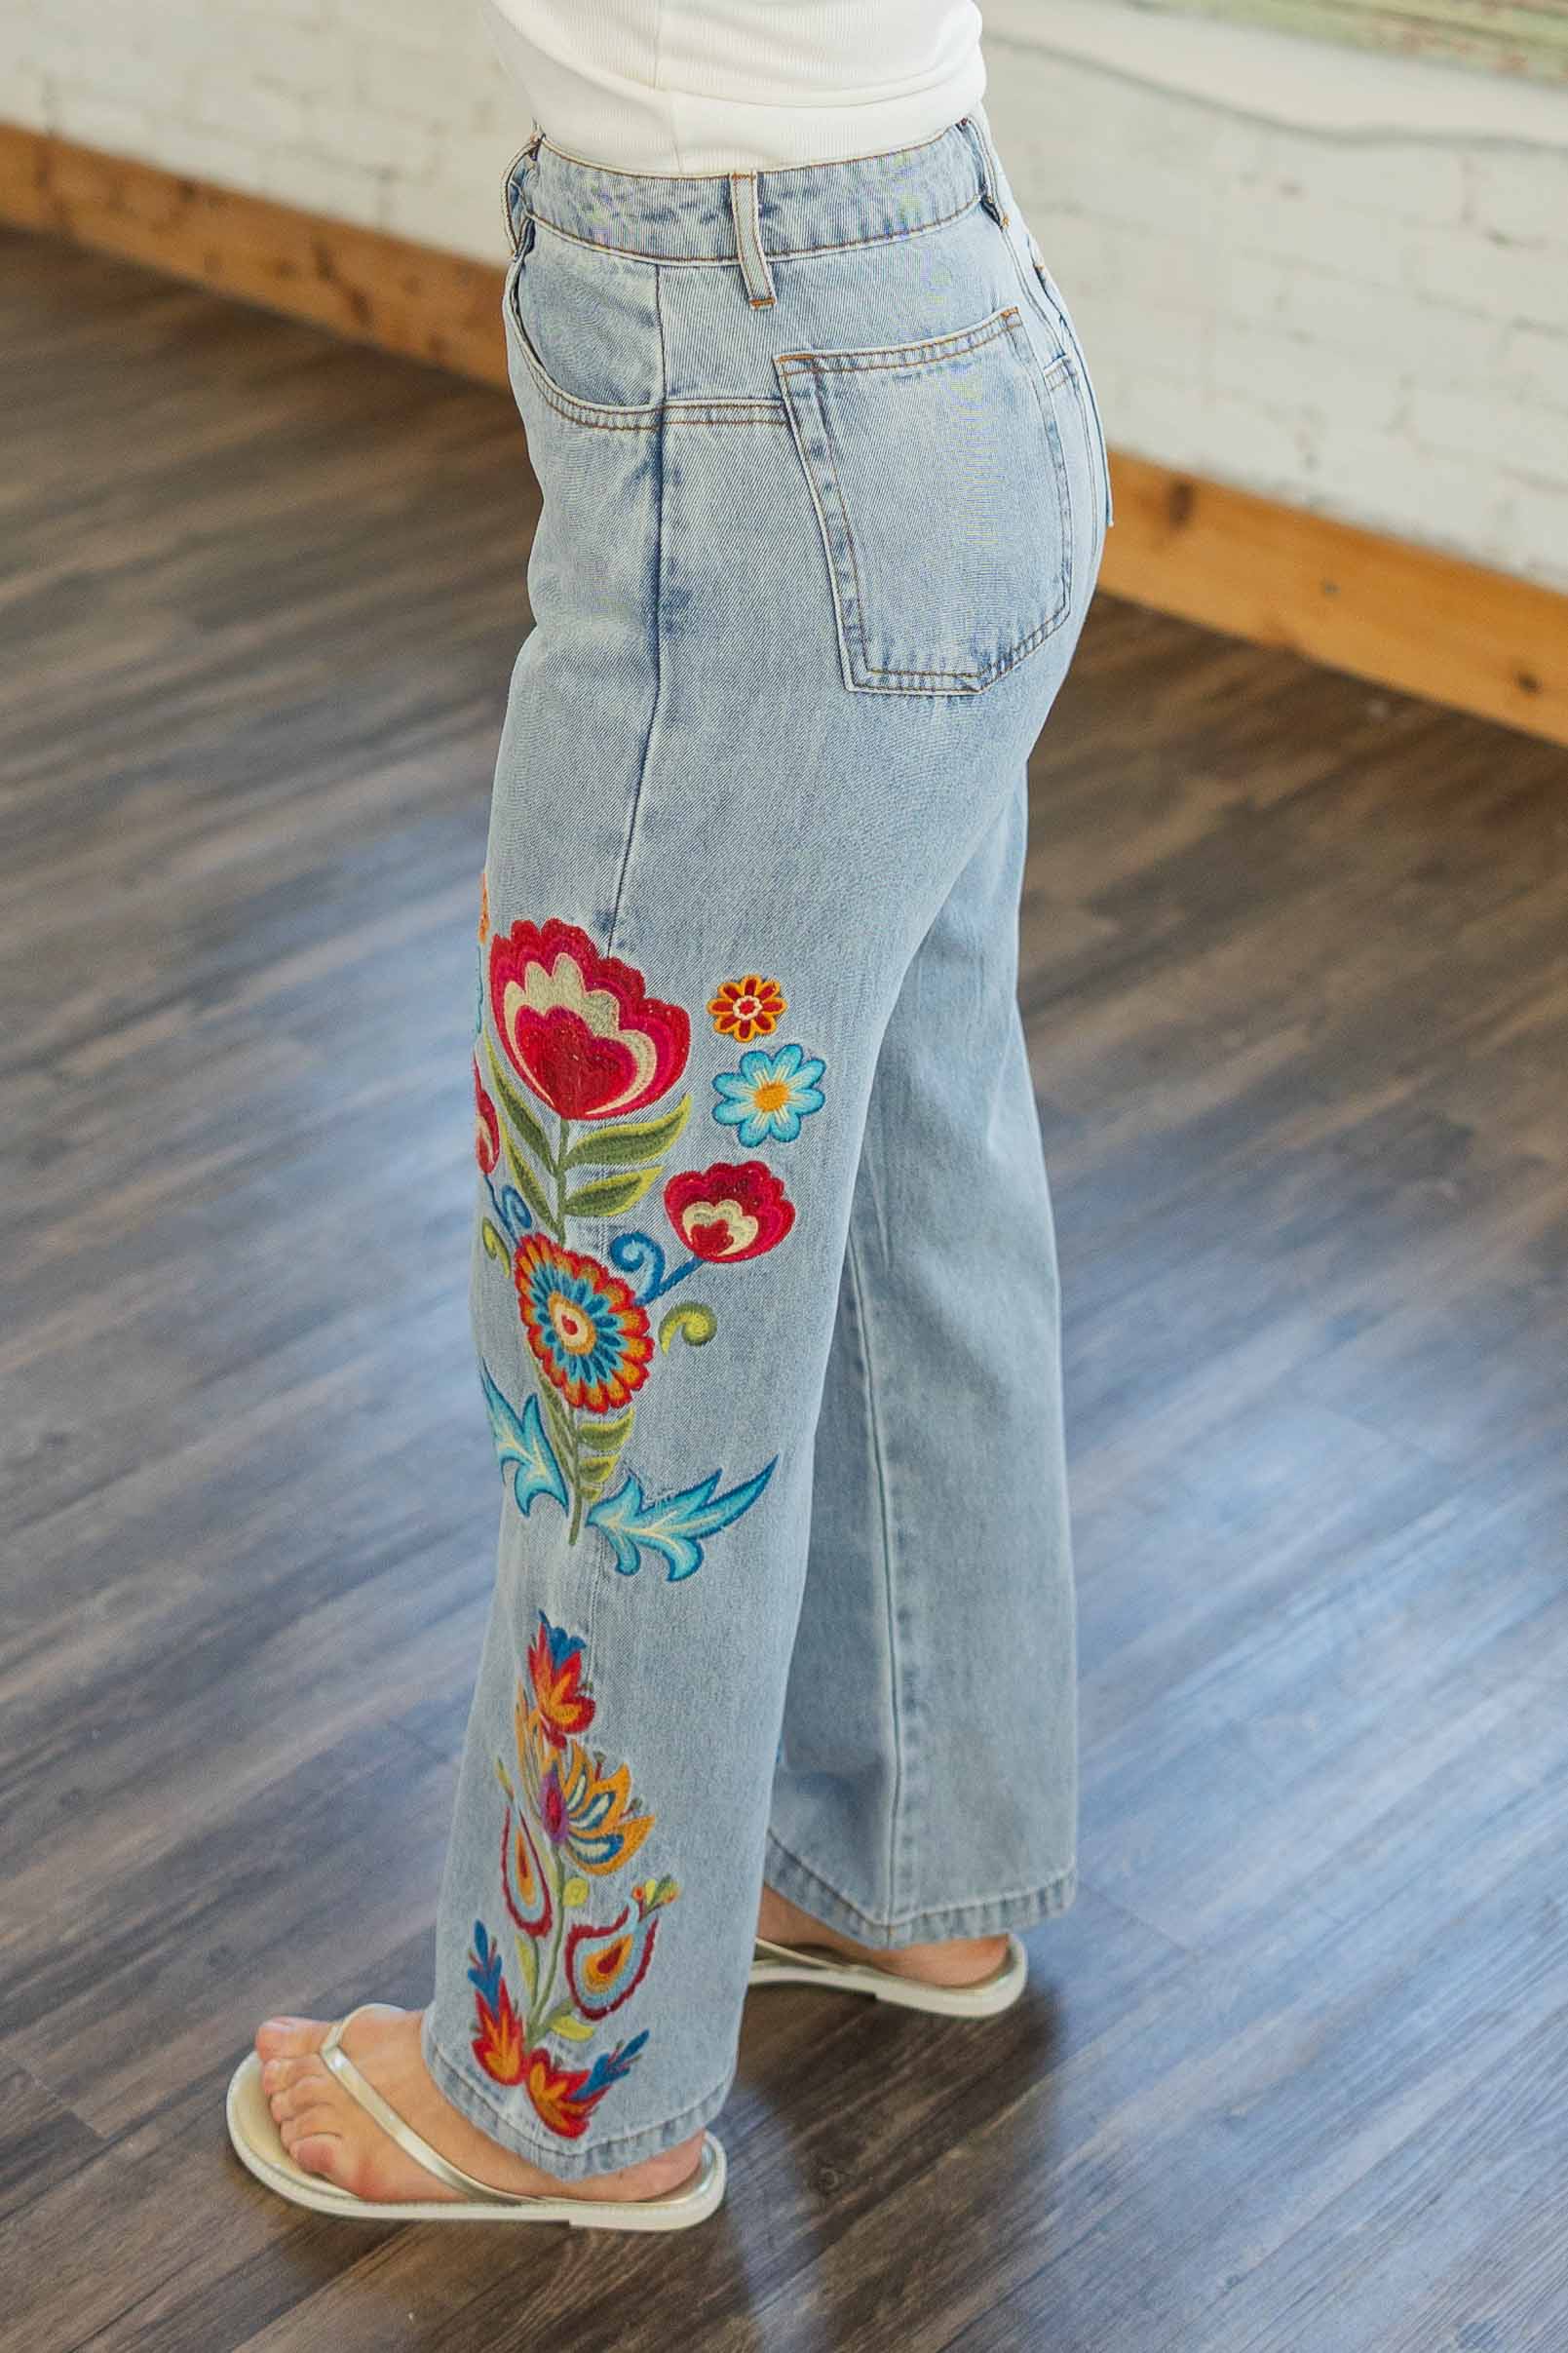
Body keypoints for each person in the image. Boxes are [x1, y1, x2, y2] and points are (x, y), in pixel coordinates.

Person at [224, 3, 1114, 2231]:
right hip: (943, 330)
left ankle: (558, 2086)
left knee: (616, 1303)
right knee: (905, 1178)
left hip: (756, 395)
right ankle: (903, 1866)